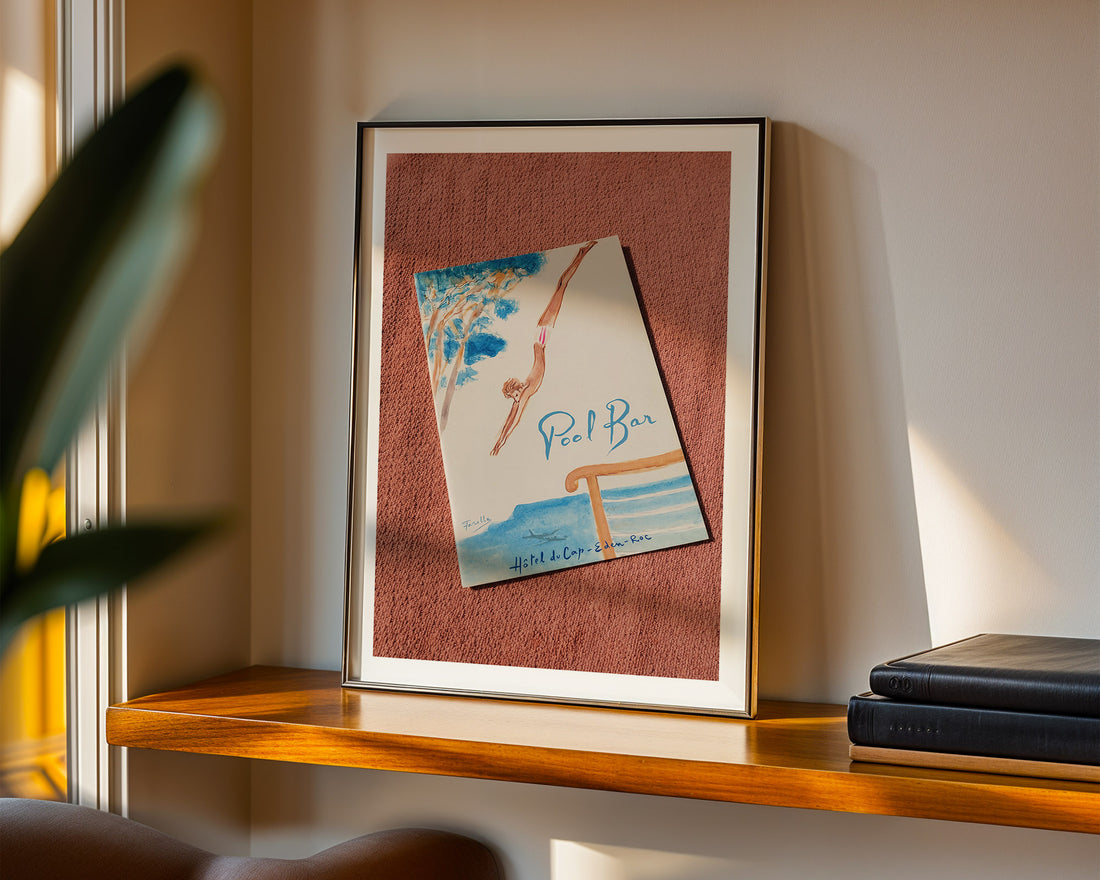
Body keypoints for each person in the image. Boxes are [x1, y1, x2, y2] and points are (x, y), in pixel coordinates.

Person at [490, 240, 597, 455]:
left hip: (541, 335)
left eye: (515, 393)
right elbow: (511, 419)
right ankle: (581, 253)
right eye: (515, 396)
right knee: (561, 286)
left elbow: (514, 419)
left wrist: (501, 442)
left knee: (561, 286)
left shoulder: (525, 391)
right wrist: (499, 442)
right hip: (541, 338)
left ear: (516, 389)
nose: (517, 397)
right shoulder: (523, 394)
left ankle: (582, 253)